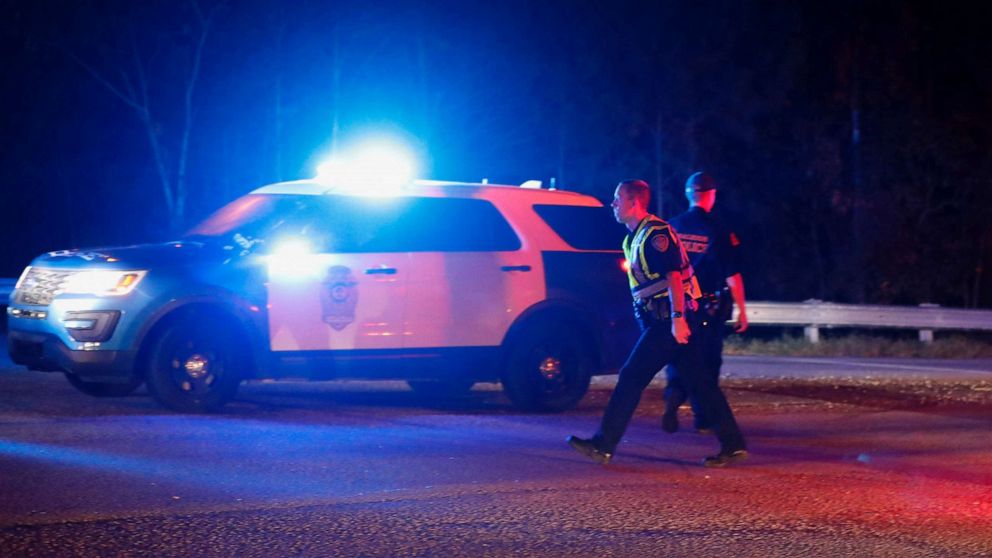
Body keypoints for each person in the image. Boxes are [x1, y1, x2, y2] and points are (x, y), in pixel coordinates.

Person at [567, 179, 747, 468]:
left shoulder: (656, 233)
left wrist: (677, 321)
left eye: (617, 199)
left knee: (630, 377)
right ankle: (734, 445)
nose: (613, 204)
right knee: (702, 385)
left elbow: (674, 277)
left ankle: (603, 444)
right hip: (669, 319)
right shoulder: (633, 237)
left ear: (634, 202)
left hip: (670, 321)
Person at [663, 172, 748, 434]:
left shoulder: (672, 226)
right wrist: (742, 310)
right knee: (708, 362)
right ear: (711, 195)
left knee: (680, 357)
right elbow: (731, 274)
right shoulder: (718, 229)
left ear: (688, 194)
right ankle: (704, 418)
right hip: (708, 309)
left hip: (677, 304)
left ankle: (674, 396)